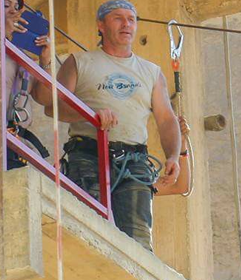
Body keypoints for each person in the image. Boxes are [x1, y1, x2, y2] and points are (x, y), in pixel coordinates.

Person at [37, 0, 181, 251]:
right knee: (88, 231)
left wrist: (173, 156)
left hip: (134, 161)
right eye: (118, 18)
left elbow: (167, 119)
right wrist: (89, 115)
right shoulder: (79, 62)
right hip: (88, 154)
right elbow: (51, 106)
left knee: (138, 242)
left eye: (131, 19)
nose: (126, 24)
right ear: (101, 25)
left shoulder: (151, 72)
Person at [4, 0, 53, 169]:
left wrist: (45, 59)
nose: (13, 12)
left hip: (14, 143)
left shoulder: (22, 57)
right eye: (5, 6)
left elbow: (45, 98)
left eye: (17, 7)